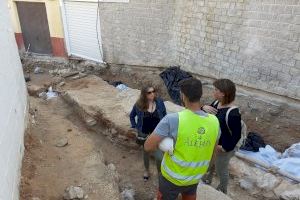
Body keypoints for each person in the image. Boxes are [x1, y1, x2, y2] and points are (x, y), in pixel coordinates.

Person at [144, 78, 220, 200]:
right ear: (200, 95)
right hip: (194, 177)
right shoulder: (215, 122)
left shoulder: (173, 120)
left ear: (182, 95)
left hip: (171, 179)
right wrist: (202, 171)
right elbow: (213, 152)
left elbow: (147, 146)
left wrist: (163, 145)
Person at [202, 79, 242, 194]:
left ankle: (222, 189)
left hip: (224, 147)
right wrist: (203, 108)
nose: (213, 91)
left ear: (223, 93)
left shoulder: (233, 113)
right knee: (211, 162)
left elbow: (236, 135)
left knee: (221, 169)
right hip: (214, 143)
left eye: (216, 90)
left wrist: (224, 148)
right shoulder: (216, 103)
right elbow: (206, 115)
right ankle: (207, 179)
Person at [130, 85, 167, 181]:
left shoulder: (159, 102)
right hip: (144, 132)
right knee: (146, 152)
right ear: (144, 95)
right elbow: (132, 116)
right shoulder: (139, 104)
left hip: (157, 133)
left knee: (159, 157)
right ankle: (146, 170)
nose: (152, 94)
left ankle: (160, 173)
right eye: (149, 92)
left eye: (153, 91)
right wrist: (134, 126)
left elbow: (165, 114)